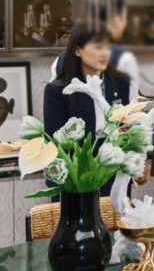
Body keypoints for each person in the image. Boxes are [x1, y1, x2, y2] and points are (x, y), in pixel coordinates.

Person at [44, 23, 137, 198]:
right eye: (98, 47)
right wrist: (57, 182)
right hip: (76, 174)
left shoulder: (120, 83)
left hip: (113, 170)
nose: (105, 53)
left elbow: (128, 126)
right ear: (78, 50)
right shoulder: (58, 90)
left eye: (108, 47)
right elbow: (52, 143)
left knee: (113, 215)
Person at [50, 0, 140, 96]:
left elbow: (54, 97)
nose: (125, 23)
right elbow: (132, 104)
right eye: (123, 18)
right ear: (115, 19)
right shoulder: (124, 60)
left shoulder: (60, 60)